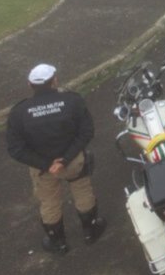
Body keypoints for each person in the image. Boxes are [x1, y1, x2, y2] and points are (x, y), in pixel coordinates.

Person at [6, 64, 107, 254]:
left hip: (42, 168)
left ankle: (58, 243)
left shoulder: (19, 113)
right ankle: (90, 231)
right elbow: (86, 132)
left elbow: (16, 149)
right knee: (82, 191)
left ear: (30, 84)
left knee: (49, 202)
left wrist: (46, 164)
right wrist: (65, 159)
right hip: (73, 160)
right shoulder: (72, 101)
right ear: (55, 80)